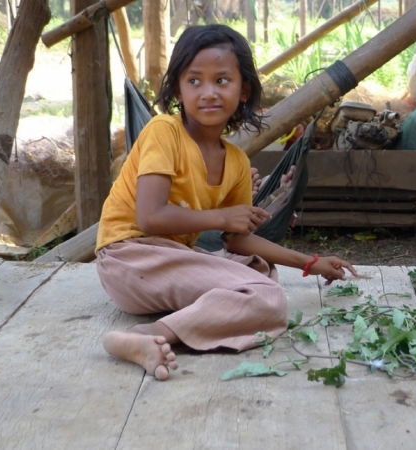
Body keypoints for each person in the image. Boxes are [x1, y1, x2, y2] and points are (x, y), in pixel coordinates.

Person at [96, 24, 356, 381]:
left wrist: (310, 262)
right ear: (177, 88)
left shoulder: (234, 161)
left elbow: (237, 238)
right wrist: (221, 216)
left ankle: (187, 318)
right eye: (194, 81)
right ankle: (144, 336)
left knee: (256, 267)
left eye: (222, 80)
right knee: (268, 299)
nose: (208, 93)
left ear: (243, 89)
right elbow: (151, 216)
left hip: (166, 263)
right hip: (129, 258)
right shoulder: (163, 132)